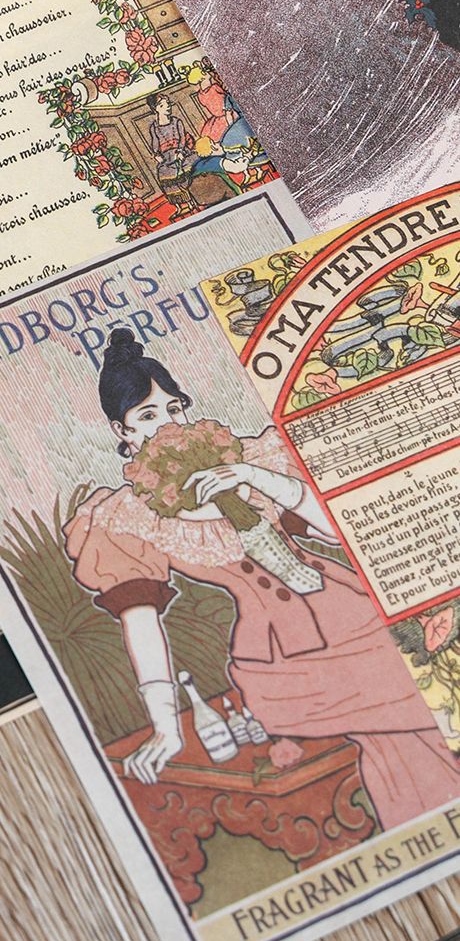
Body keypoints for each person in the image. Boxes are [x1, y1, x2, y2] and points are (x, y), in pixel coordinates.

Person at [66, 329, 460, 819]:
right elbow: (141, 622)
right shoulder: (126, 516)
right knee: (416, 730)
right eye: (147, 416)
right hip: (279, 655)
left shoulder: (253, 460)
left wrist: (256, 477)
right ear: (121, 431)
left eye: (173, 408)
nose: (167, 424)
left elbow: (338, 533)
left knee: (416, 731)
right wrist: (166, 726)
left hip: (355, 613)